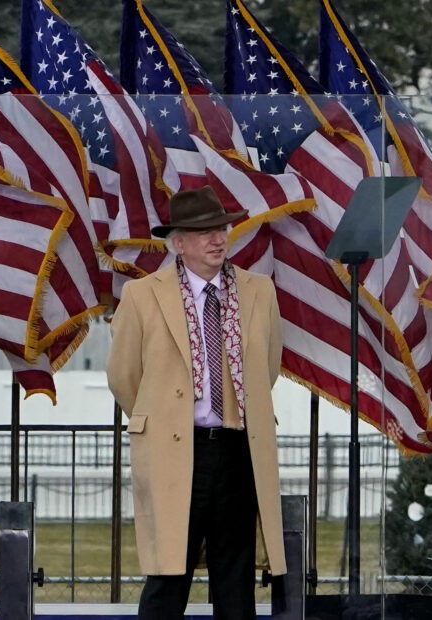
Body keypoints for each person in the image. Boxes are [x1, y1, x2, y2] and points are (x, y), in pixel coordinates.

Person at [106, 186, 286, 620]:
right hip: (177, 450)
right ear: (178, 243)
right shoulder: (143, 295)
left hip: (238, 450)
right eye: (203, 232)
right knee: (169, 578)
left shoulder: (258, 291)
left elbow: (269, 367)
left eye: (221, 228)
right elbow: (124, 377)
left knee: (236, 578)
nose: (217, 239)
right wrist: (165, 419)